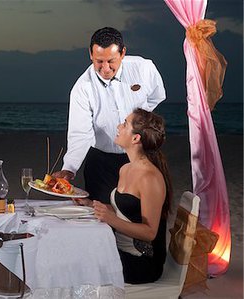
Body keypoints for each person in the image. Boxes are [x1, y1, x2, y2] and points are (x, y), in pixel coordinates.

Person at [53, 27, 166, 204]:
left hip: (141, 155)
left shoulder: (143, 68)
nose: (105, 68)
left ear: (123, 53)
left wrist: (139, 122)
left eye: (111, 61)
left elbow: (157, 96)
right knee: (102, 215)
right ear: (90, 54)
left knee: (145, 211)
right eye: (99, 61)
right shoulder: (82, 88)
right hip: (102, 161)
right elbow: (81, 134)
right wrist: (69, 169)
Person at [75, 108, 172, 284]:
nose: (119, 126)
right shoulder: (125, 168)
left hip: (142, 262)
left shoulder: (150, 177)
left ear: (136, 138)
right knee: (75, 251)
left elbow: (150, 233)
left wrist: (110, 219)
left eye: (125, 124)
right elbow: (125, 211)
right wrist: (91, 204)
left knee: (78, 262)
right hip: (119, 251)